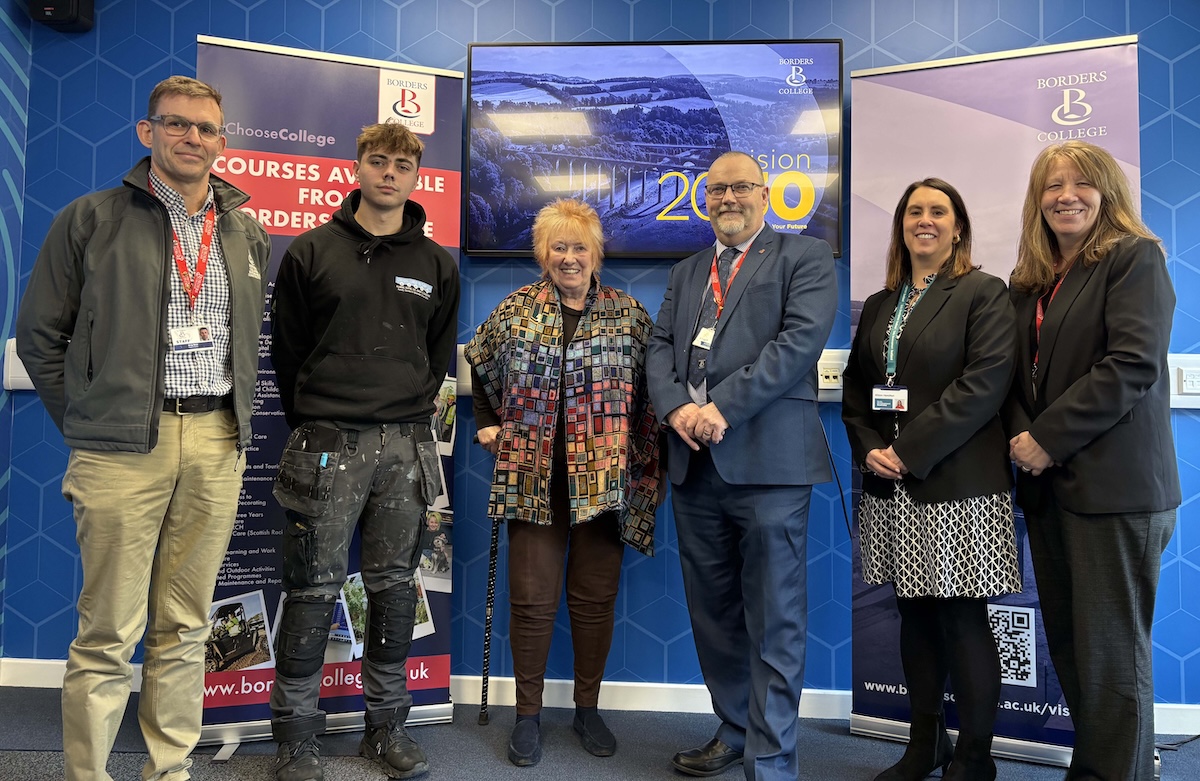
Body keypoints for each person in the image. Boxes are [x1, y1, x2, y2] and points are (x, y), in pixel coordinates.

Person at [15, 75, 270, 781]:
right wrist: (90, 421)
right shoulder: (90, 218)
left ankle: (169, 770)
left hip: (217, 440)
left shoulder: (246, 230)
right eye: (177, 124)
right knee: (107, 633)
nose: (193, 138)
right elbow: (39, 337)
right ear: (147, 132)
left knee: (187, 625)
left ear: (223, 141)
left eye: (207, 129)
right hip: (122, 447)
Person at [268, 121, 460, 781]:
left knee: (394, 589)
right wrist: (327, 417)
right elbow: (288, 352)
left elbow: (435, 359)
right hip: (326, 440)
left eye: (401, 164)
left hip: (405, 444)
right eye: (377, 161)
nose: (388, 173)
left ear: (415, 174)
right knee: (312, 588)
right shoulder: (311, 251)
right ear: (357, 165)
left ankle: (386, 728)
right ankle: (295, 736)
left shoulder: (437, 263)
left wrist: (397, 412)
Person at [646, 151, 837, 780]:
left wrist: (720, 407)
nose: (728, 199)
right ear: (704, 199)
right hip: (694, 467)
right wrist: (676, 410)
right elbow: (658, 348)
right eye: (717, 190)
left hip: (770, 468)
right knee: (715, 612)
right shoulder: (687, 269)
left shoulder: (803, 258)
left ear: (766, 194)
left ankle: (772, 757)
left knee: (775, 616)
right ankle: (734, 729)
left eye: (741, 188)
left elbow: (797, 345)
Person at [465, 198, 662, 768]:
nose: (569, 258)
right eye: (559, 247)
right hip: (533, 477)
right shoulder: (516, 310)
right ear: (543, 253)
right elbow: (481, 367)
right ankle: (526, 716)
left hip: (602, 481)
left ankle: (587, 709)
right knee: (531, 602)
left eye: (579, 246)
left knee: (594, 601)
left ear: (596, 253)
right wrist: (488, 423)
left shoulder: (627, 315)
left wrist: (645, 466)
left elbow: (653, 394)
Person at [1005, 141, 1179, 781]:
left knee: (1110, 659)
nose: (1065, 196)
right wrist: (1027, 438)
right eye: (1052, 186)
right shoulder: (1037, 280)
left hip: (1116, 491)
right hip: (1051, 489)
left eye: (1081, 183)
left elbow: (1131, 364)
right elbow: (1016, 379)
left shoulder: (1134, 259)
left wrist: (1046, 439)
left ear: (1107, 192)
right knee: (1076, 653)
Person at [842, 179, 1018, 781]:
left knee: (962, 618)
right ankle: (925, 745)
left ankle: (974, 757)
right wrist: (870, 449)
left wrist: (909, 450)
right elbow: (857, 391)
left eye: (938, 211)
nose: (925, 220)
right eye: (914, 211)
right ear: (900, 226)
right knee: (912, 615)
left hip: (958, 483)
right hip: (889, 487)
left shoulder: (983, 293)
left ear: (958, 226)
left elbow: (985, 385)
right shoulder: (881, 303)